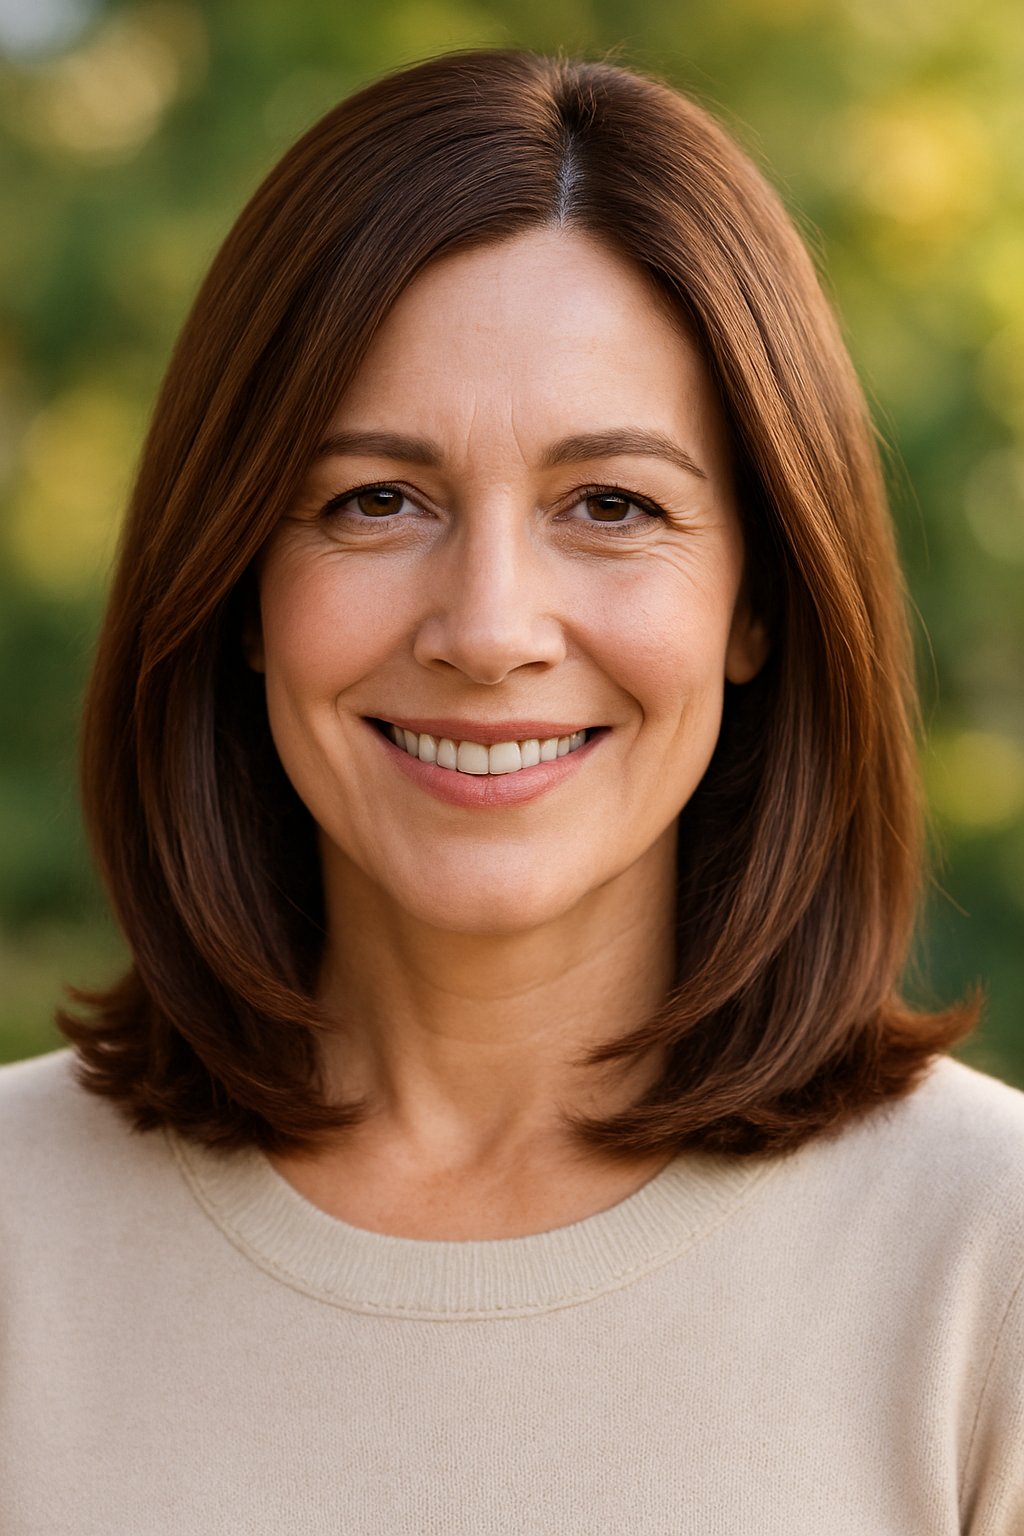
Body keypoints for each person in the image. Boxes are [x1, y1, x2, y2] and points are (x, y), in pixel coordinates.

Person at [1, 47, 1021, 1535]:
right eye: (375, 501)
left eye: (611, 505)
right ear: (234, 585)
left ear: (760, 601)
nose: (486, 629)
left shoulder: (987, 1265)